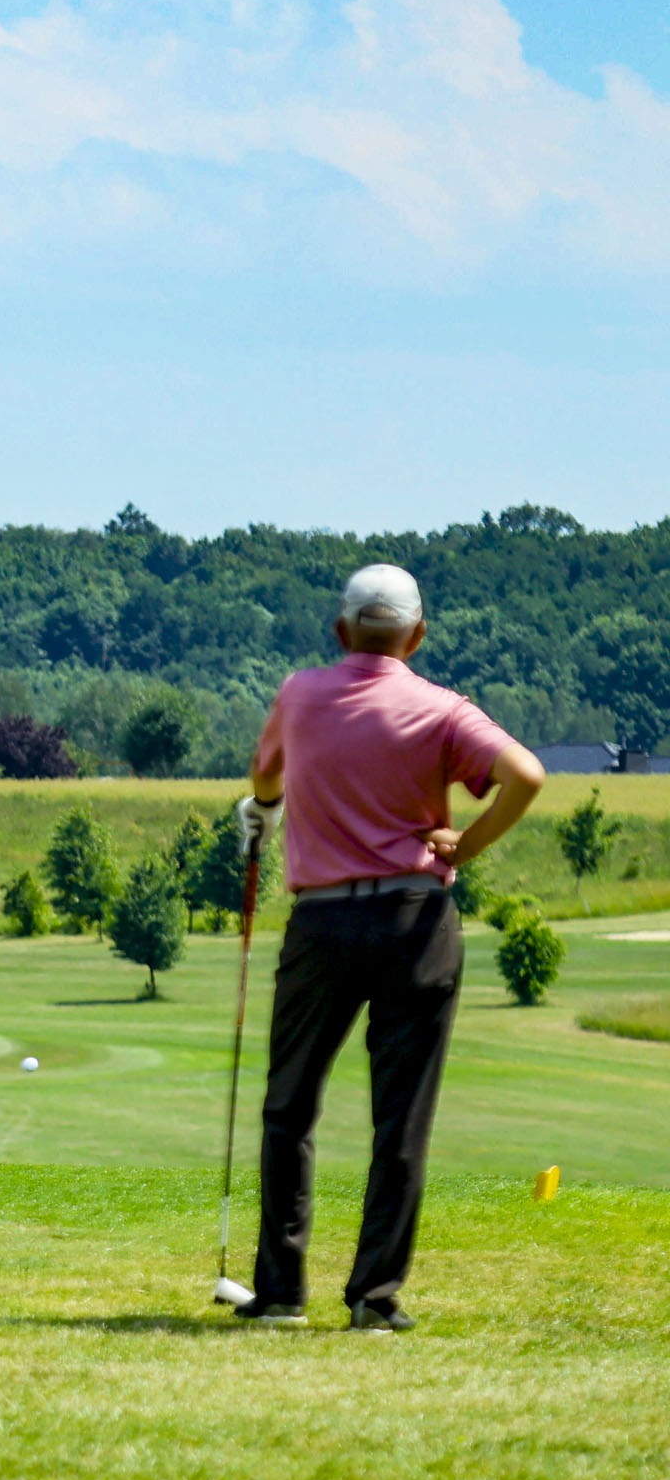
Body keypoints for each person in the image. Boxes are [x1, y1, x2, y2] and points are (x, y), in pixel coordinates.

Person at [233, 564, 544, 1332]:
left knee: (289, 1105)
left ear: (341, 630)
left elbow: (266, 779)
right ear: (417, 636)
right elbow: (526, 775)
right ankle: (374, 1299)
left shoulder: (300, 694)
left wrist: (263, 811)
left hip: (323, 923)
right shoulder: (442, 709)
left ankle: (280, 1294)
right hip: (415, 922)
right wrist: (466, 845)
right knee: (399, 1116)